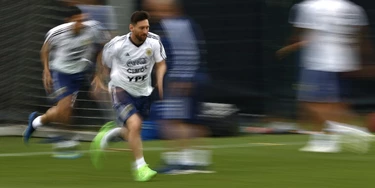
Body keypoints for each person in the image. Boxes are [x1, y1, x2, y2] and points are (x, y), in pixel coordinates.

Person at [277, 0, 373, 152]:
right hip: (345, 61)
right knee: (333, 104)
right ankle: (323, 141)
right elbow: (360, 36)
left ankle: (350, 131)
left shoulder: (309, 7)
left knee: (310, 102)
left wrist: (287, 47)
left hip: (319, 61)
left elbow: (301, 34)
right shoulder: (352, 8)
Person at [90, 11, 167, 182]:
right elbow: (102, 59)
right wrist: (99, 78)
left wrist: (160, 79)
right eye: (141, 28)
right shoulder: (117, 44)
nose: (145, 31)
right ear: (131, 28)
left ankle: (109, 134)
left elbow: (161, 64)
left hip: (143, 92)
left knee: (133, 130)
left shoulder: (154, 42)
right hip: (120, 89)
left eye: (147, 27)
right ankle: (140, 168)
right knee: (135, 124)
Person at [23, 6, 110, 143]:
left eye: (81, 21)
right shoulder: (56, 33)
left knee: (65, 109)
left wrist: (99, 72)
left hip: (81, 70)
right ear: (67, 21)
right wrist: (46, 70)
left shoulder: (93, 29)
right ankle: (63, 137)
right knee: (65, 108)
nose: (79, 24)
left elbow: (103, 46)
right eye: (76, 21)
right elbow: (45, 50)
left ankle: (35, 122)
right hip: (61, 72)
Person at [143, 0, 212, 173]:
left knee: (170, 121)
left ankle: (183, 162)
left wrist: (183, 78)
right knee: (190, 121)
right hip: (194, 77)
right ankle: (198, 160)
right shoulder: (186, 23)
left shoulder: (173, 25)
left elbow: (187, 52)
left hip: (181, 80)